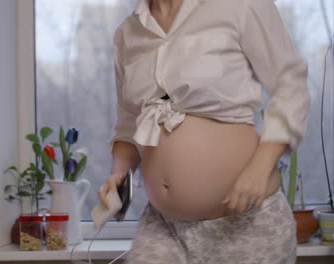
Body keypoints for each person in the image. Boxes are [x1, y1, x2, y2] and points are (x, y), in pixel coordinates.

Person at [98, 0, 310, 262]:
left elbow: (290, 84)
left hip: (246, 224)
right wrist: (119, 172)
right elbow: (129, 123)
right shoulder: (127, 34)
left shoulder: (240, 5)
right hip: (163, 226)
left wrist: (260, 166)